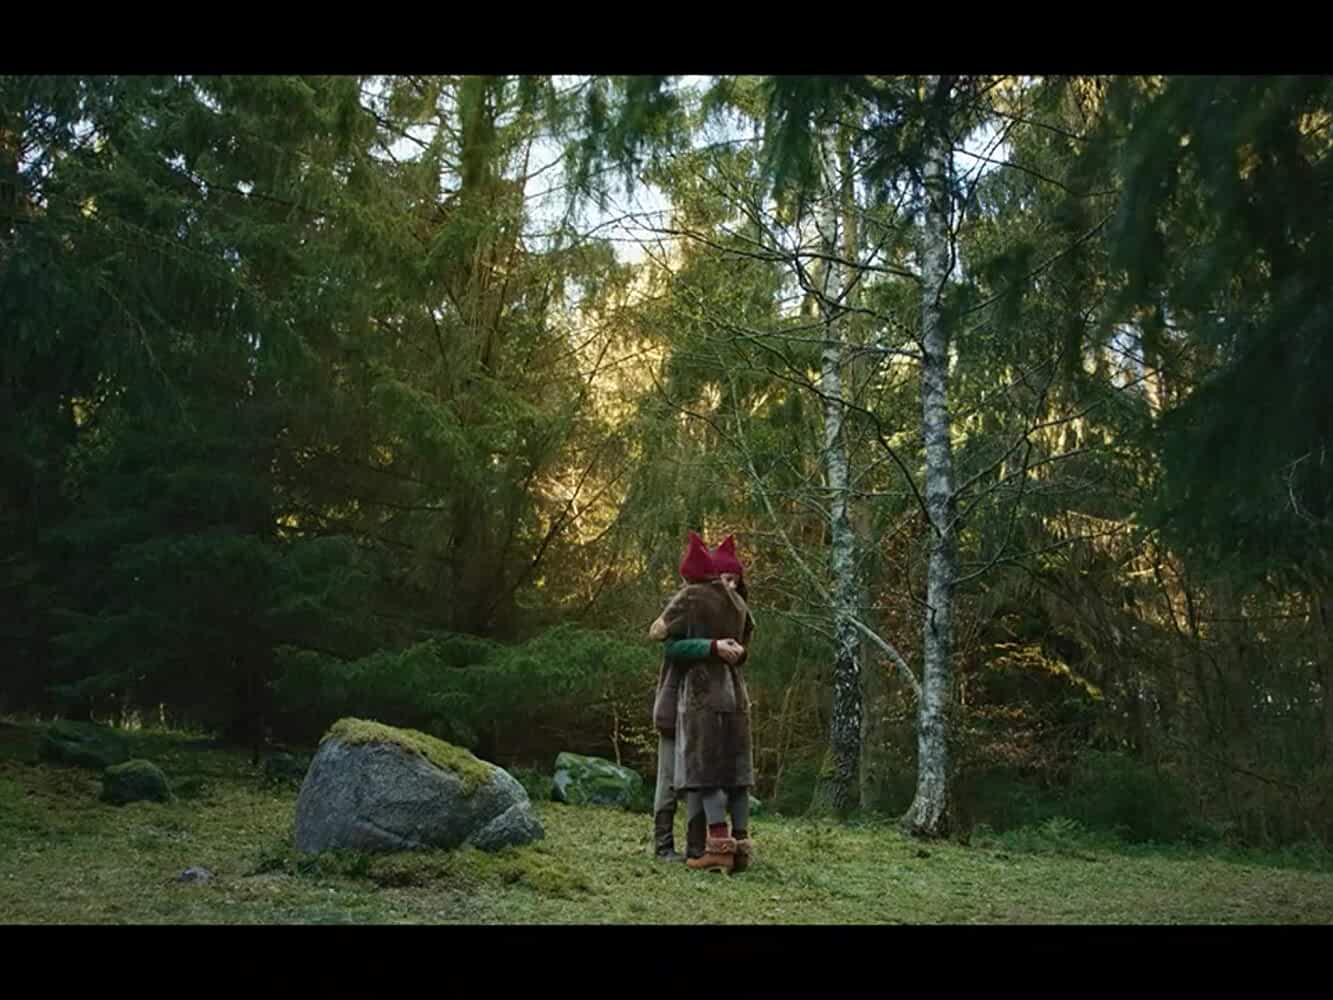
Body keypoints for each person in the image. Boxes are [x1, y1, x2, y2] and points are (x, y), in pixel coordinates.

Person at [649, 532, 756, 874]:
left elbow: (743, 650)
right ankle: (664, 845)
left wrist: (735, 652)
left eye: (735, 580)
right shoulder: (688, 603)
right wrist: (711, 647)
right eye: (725, 578)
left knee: (702, 777)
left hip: (716, 704)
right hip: (676, 702)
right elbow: (670, 647)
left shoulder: (735, 609)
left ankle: (699, 847)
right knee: (671, 777)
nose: (729, 585)